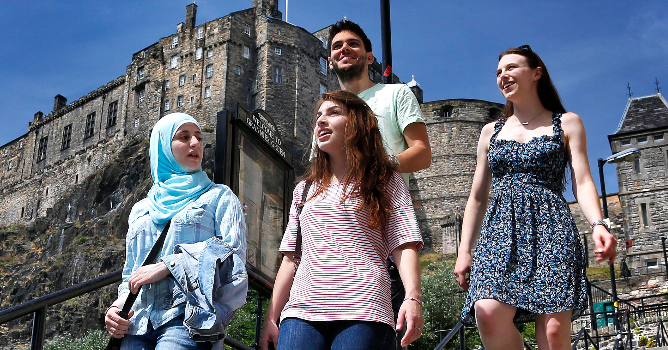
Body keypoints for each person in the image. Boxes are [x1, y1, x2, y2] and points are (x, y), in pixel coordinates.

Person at [453, 46, 618, 350]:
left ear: (536, 73)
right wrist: (465, 251)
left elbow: (582, 181)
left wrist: (598, 224)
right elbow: (477, 197)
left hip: (551, 228)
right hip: (499, 231)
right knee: (487, 313)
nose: (504, 76)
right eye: (499, 72)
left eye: (512, 68)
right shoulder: (490, 132)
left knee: (554, 333)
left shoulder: (567, 123)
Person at [259, 90, 424, 350]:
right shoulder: (304, 190)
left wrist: (413, 298)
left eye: (333, 113)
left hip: (364, 307)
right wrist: (271, 317)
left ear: (357, 123)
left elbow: (404, 243)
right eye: (318, 116)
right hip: (301, 311)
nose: (321, 121)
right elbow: (291, 258)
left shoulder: (385, 180)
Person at [104, 113, 248, 350]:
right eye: (184, 137)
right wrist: (116, 309)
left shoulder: (219, 196)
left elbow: (233, 257)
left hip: (187, 318)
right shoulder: (141, 209)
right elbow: (130, 273)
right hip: (137, 323)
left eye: (199, 138)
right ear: (163, 147)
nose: (195, 143)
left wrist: (170, 265)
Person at [326, 19, 431, 179]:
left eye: (353, 44)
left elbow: (422, 154)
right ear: (330, 63)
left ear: (369, 58)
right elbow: (320, 167)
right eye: (337, 46)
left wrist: (381, 165)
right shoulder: (326, 111)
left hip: (383, 202)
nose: (345, 48)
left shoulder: (397, 93)